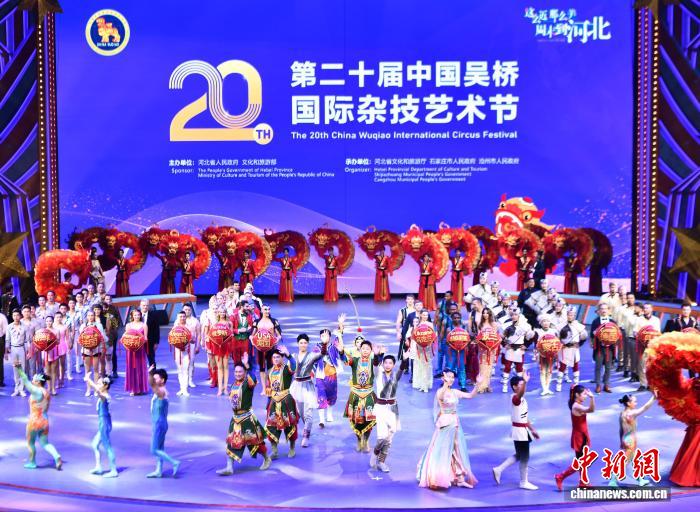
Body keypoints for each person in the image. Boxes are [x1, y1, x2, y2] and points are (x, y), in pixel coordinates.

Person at [417, 369, 479, 489]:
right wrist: (445, 383)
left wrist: (477, 385)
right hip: (445, 424)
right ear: (443, 378)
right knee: (443, 449)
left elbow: (470, 395)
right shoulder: (440, 391)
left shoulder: (454, 392)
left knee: (457, 449)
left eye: (452, 377)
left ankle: (460, 478)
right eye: (448, 377)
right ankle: (437, 476)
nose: (450, 379)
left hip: (455, 423)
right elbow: (441, 397)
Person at [216, 353, 272, 475]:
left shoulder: (247, 383)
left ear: (244, 372)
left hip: (247, 418)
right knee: (231, 442)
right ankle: (229, 468)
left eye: (240, 372)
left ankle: (267, 458)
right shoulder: (233, 385)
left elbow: (254, 379)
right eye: (236, 372)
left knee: (256, 443)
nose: (237, 374)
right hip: (235, 419)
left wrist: (247, 366)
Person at [492, 372, 540, 490]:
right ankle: (523, 482)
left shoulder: (521, 399)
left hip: (523, 430)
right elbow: (521, 393)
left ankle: (499, 469)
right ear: (514, 387)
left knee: (519, 454)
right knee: (525, 457)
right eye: (521, 385)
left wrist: (532, 429)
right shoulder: (515, 398)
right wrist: (526, 381)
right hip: (520, 432)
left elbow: (524, 417)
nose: (524, 387)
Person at [15, 362, 62, 469]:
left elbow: (25, 381)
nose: (32, 381)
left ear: (38, 382)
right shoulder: (47, 392)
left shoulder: (36, 391)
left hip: (34, 421)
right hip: (45, 421)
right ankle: (56, 456)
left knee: (30, 442)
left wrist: (20, 369)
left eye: (34, 380)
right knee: (45, 443)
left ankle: (32, 462)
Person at [370, 347, 408, 473]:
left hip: (393, 409)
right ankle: (375, 453)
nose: (387, 365)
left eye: (390, 363)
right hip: (381, 408)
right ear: (383, 364)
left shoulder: (395, 376)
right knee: (382, 437)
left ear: (393, 365)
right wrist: (376, 356)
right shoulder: (378, 375)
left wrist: (405, 360)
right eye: (385, 362)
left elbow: (401, 369)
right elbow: (375, 365)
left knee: (389, 439)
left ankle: (381, 462)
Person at [339, 336, 380, 452]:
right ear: (360, 350)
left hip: (369, 395)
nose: (365, 350)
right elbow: (345, 360)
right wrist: (341, 352)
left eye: (368, 349)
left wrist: (377, 355)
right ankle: (358, 439)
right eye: (363, 348)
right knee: (356, 420)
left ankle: (366, 440)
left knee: (369, 420)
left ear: (371, 351)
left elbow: (377, 363)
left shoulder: (373, 362)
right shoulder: (355, 360)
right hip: (356, 395)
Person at [609, 393, 656, 487]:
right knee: (625, 462)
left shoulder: (622, 413)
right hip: (631, 440)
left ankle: (640, 480)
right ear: (628, 403)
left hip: (626, 438)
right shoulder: (631, 413)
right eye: (634, 401)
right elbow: (645, 407)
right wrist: (654, 397)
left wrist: (621, 441)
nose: (636, 403)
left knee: (634, 460)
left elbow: (621, 429)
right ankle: (613, 481)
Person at [290, 332, 328, 447]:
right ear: (298, 344)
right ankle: (303, 431)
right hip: (296, 387)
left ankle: (306, 437)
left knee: (308, 413)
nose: (303, 345)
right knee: (300, 413)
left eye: (305, 343)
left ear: (308, 344)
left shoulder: (311, 355)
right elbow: (287, 371)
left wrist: (324, 344)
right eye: (301, 343)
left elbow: (322, 354)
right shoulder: (293, 356)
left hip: (307, 386)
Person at [555, 385, 595, 490]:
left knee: (582, 460)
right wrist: (592, 398)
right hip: (579, 437)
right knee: (580, 461)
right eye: (584, 394)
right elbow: (591, 410)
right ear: (577, 395)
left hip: (582, 435)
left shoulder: (577, 404)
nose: (585, 396)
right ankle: (560, 476)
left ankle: (583, 482)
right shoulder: (576, 406)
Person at [264, 346, 298, 459]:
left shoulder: (287, 369)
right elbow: (269, 388)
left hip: (286, 401)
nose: (276, 359)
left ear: (282, 358)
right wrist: (268, 403)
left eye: (278, 357)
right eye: (274, 357)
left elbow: (294, 366)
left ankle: (292, 448)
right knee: (271, 426)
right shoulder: (269, 371)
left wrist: (289, 355)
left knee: (290, 425)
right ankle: (274, 451)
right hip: (273, 402)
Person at [147, 365, 180, 478]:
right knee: (160, 447)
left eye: (156, 378)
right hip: (161, 423)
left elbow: (151, 384)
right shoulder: (161, 391)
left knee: (154, 450)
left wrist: (150, 373)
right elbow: (152, 384)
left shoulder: (161, 392)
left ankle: (174, 462)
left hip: (159, 424)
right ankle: (159, 470)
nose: (154, 380)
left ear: (162, 380)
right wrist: (151, 374)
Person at [84, 372, 118, 477]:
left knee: (107, 446)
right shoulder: (103, 396)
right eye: (97, 383)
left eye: (99, 384)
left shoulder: (105, 396)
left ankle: (113, 470)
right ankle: (98, 466)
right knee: (95, 444)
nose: (98, 385)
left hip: (104, 424)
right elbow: (98, 390)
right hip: (103, 423)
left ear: (105, 385)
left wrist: (88, 380)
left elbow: (97, 391)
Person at [317, 317, 344, 428]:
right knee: (321, 396)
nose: (324, 337)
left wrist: (340, 324)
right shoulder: (317, 347)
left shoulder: (334, 346)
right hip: (320, 376)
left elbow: (339, 336)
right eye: (322, 335)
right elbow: (318, 356)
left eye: (326, 335)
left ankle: (329, 414)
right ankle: (321, 420)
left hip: (332, 375)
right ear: (320, 337)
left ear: (330, 337)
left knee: (331, 396)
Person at [500, 307, 535, 393]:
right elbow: (501, 337)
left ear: (519, 315)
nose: (514, 316)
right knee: (507, 367)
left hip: (519, 350)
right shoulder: (506, 325)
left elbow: (532, 337)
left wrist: (526, 345)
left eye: (516, 315)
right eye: (512, 315)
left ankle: (520, 385)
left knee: (519, 368)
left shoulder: (525, 326)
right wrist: (504, 345)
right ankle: (504, 385)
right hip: (510, 349)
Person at [557, 306, 588, 391]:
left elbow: (584, 337)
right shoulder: (561, 325)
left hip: (574, 349)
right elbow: (557, 337)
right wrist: (560, 344)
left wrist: (579, 344)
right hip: (564, 348)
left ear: (574, 315)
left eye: (572, 315)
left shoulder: (579, 326)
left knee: (575, 366)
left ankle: (576, 384)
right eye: (568, 315)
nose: (570, 316)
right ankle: (558, 384)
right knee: (562, 366)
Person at [631, 303, 660, 392]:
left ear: (651, 309)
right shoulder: (639, 319)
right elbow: (635, 332)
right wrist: (639, 337)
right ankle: (643, 384)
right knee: (642, 365)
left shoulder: (656, 320)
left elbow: (658, 333)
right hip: (642, 345)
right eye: (644, 308)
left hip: (652, 346)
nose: (646, 309)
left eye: (648, 308)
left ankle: (650, 384)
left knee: (651, 365)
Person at [590, 303, 618, 393]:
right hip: (599, 348)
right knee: (598, 367)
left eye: (605, 308)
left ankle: (606, 384)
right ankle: (598, 385)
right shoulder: (595, 321)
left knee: (608, 367)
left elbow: (617, 334)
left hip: (609, 348)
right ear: (599, 311)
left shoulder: (613, 322)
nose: (604, 310)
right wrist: (595, 333)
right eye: (602, 309)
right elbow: (591, 334)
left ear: (608, 310)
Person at [80, 310, 107, 397]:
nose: (90, 317)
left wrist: (101, 348)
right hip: (86, 350)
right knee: (87, 370)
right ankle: (88, 389)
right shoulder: (83, 326)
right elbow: (80, 339)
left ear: (94, 316)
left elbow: (102, 338)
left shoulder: (98, 325)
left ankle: (96, 389)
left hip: (96, 350)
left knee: (96, 370)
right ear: (86, 317)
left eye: (92, 315)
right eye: (89, 315)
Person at [408, 311, 435, 393]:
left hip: (427, 347)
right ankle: (420, 384)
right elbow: (414, 336)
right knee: (419, 365)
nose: (425, 316)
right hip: (418, 347)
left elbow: (433, 336)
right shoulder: (418, 323)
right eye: (423, 315)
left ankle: (426, 385)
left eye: (426, 315)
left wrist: (428, 343)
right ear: (420, 315)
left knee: (426, 366)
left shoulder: (430, 324)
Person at [124, 309, 149, 396]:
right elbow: (125, 337)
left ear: (140, 315)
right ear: (132, 316)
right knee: (132, 368)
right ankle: (132, 389)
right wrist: (131, 342)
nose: (137, 316)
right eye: (135, 315)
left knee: (140, 368)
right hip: (130, 350)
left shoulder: (144, 325)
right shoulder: (128, 325)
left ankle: (140, 388)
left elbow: (146, 339)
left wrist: (139, 340)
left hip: (140, 349)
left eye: (138, 315)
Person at [533, 314, 558, 395]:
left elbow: (557, 343)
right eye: (544, 321)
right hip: (542, 354)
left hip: (551, 355)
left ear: (550, 322)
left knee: (549, 371)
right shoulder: (537, 332)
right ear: (540, 323)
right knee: (543, 371)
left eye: (547, 321)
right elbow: (535, 344)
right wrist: (537, 353)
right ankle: (544, 388)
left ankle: (547, 388)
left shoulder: (554, 331)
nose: (546, 323)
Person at [210, 308, 233, 396]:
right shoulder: (215, 324)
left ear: (226, 313)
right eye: (220, 312)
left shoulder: (229, 323)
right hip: (217, 347)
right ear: (218, 313)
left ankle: (225, 388)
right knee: (219, 367)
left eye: (224, 312)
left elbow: (231, 335)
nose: (222, 313)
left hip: (226, 346)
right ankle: (220, 388)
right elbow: (211, 335)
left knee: (226, 367)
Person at [7, 309, 29, 397]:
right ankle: (16, 389)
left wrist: (28, 351)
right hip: (13, 349)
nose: (16, 317)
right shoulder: (9, 326)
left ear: (20, 316)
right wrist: (6, 351)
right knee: (15, 369)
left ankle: (22, 389)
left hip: (21, 349)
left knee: (22, 369)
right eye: (14, 315)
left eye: (17, 315)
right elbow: (7, 339)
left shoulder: (25, 327)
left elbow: (27, 340)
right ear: (12, 316)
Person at [171, 312, 193, 397]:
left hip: (186, 351)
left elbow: (193, 339)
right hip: (177, 352)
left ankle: (185, 389)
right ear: (178, 317)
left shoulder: (189, 327)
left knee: (185, 370)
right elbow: (171, 339)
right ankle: (181, 388)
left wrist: (188, 341)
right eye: (181, 316)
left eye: (184, 316)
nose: (182, 318)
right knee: (179, 370)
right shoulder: (175, 327)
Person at [182, 303, 199, 388]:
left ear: (191, 310)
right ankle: (183, 380)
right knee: (183, 363)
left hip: (192, 345)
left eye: (189, 310)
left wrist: (197, 346)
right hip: (182, 345)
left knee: (191, 362)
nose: (187, 311)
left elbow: (198, 334)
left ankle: (190, 380)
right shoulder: (179, 320)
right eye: (185, 310)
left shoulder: (195, 321)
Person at [395, 294, 415, 363]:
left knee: (415, 350)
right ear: (406, 300)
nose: (410, 301)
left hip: (415, 333)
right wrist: (398, 333)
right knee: (404, 351)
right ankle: (404, 366)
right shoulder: (402, 310)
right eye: (408, 299)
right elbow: (398, 322)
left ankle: (414, 366)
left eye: (411, 299)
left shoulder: (417, 310)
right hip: (405, 332)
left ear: (413, 300)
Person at [141, 299, 160, 368]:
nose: (145, 307)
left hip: (150, 342)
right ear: (140, 306)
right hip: (138, 342)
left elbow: (157, 330)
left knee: (151, 359)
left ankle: (153, 373)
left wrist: (156, 342)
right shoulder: (136, 315)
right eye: (143, 305)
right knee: (139, 359)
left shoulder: (154, 315)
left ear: (149, 306)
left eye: (147, 305)